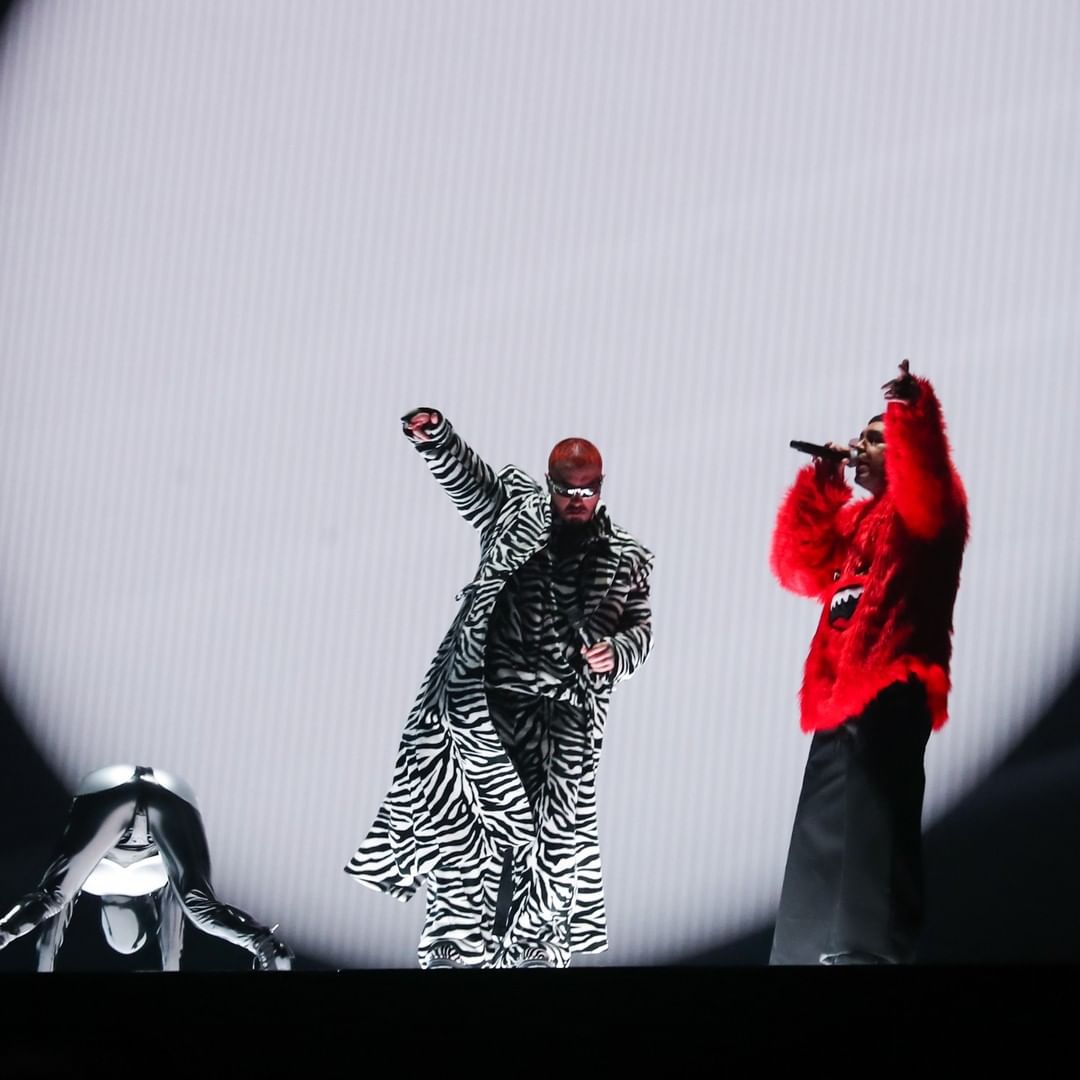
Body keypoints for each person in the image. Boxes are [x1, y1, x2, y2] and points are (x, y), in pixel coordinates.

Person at [345, 408, 653, 968]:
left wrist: (619, 652)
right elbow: (471, 483)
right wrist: (436, 439)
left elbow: (640, 628)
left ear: (601, 487)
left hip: (563, 714)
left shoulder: (625, 557)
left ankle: (538, 944)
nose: (576, 501)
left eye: (586, 491)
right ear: (549, 484)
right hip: (487, 701)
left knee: (555, 837)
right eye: (566, 490)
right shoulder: (513, 518)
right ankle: (454, 938)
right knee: (463, 821)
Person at [768, 361, 969, 965]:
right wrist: (823, 482)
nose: (859, 446)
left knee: (876, 828)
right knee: (821, 830)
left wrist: (913, 412)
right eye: (860, 437)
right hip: (838, 698)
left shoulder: (931, 509)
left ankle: (868, 952)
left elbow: (928, 476)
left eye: (875, 439)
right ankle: (802, 950)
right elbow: (800, 568)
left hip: (891, 684)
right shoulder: (857, 522)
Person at [0, 764, 293, 970]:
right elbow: (171, 945)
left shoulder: (138, 884)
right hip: (156, 793)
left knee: (53, 898)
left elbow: (49, 935)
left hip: (122, 793)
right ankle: (265, 945)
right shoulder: (142, 885)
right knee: (53, 898)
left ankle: (264, 944)